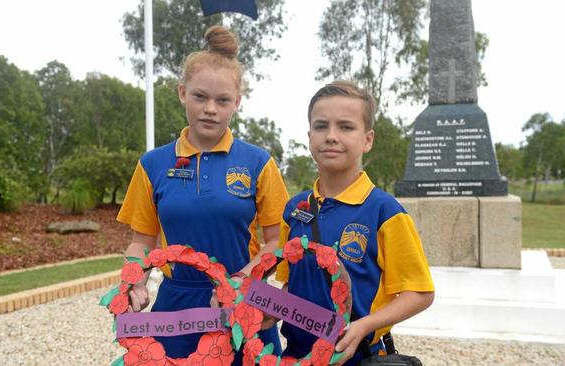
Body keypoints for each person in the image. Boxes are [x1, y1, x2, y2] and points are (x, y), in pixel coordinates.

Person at [117, 25, 288, 363]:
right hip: (177, 306)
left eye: (222, 100)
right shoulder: (152, 165)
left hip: (244, 301)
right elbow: (142, 241)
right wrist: (134, 282)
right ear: (182, 93)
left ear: (237, 102)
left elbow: (277, 242)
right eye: (200, 97)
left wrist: (243, 281)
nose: (211, 108)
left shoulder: (258, 162)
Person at [275, 81, 435, 365]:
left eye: (346, 127)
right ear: (309, 135)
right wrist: (267, 310)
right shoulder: (294, 209)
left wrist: (365, 325)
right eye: (321, 126)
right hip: (296, 357)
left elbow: (420, 293)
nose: (331, 136)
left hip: (355, 356)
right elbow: (291, 287)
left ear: (367, 139)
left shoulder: (384, 211)